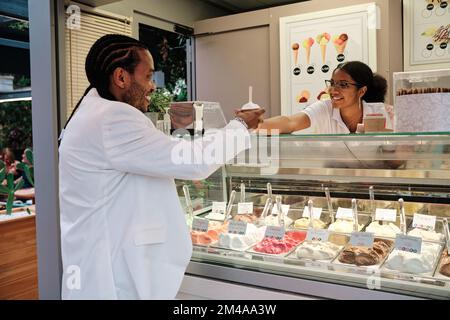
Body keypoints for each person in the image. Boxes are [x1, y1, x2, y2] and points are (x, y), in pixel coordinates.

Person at [58, 34, 264, 300]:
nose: (153, 86)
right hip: (111, 278)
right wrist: (241, 126)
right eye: (148, 76)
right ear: (121, 77)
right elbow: (192, 160)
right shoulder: (112, 118)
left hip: (98, 264)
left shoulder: (92, 114)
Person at [258, 61, 393, 134]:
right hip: (332, 181)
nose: (333, 90)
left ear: (362, 91)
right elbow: (289, 122)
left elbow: (397, 158)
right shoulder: (324, 108)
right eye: (333, 83)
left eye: (343, 85)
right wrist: (249, 124)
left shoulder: (382, 112)